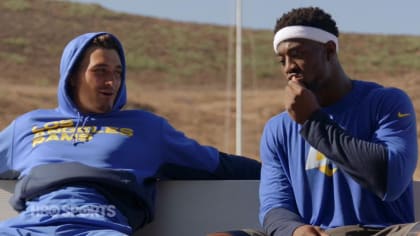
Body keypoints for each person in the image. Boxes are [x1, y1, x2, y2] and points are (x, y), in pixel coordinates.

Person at [0, 32, 261, 235]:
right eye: (100, 71)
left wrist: (285, 173)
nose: (111, 82)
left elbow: (219, 165)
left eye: (118, 73)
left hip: (99, 230)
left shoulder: (146, 128)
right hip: (26, 229)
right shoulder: (27, 126)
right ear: (71, 76)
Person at [258, 6, 420, 236]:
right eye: (281, 60)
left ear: (329, 50)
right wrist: (295, 230)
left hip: (383, 231)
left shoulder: (387, 102)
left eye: (297, 54)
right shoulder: (277, 129)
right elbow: (274, 206)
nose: (288, 68)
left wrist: (313, 121)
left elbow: (390, 181)